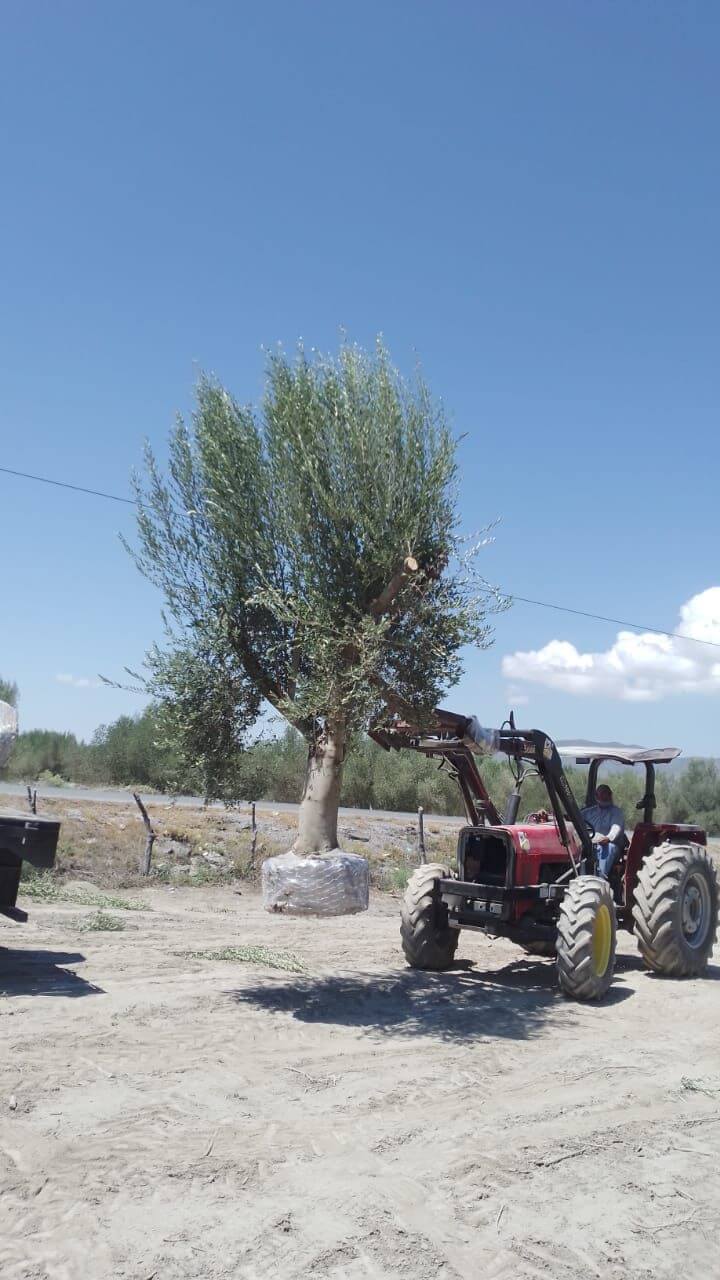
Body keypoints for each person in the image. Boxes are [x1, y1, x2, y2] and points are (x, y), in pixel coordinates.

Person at [581, 784, 626, 878]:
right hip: (590, 844)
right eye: (601, 794)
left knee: (607, 848)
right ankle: (578, 876)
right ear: (596, 796)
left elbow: (616, 827)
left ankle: (600, 877)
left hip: (610, 845)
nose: (604, 796)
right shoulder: (588, 812)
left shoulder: (616, 812)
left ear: (610, 795)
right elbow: (574, 818)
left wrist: (608, 838)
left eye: (607, 794)